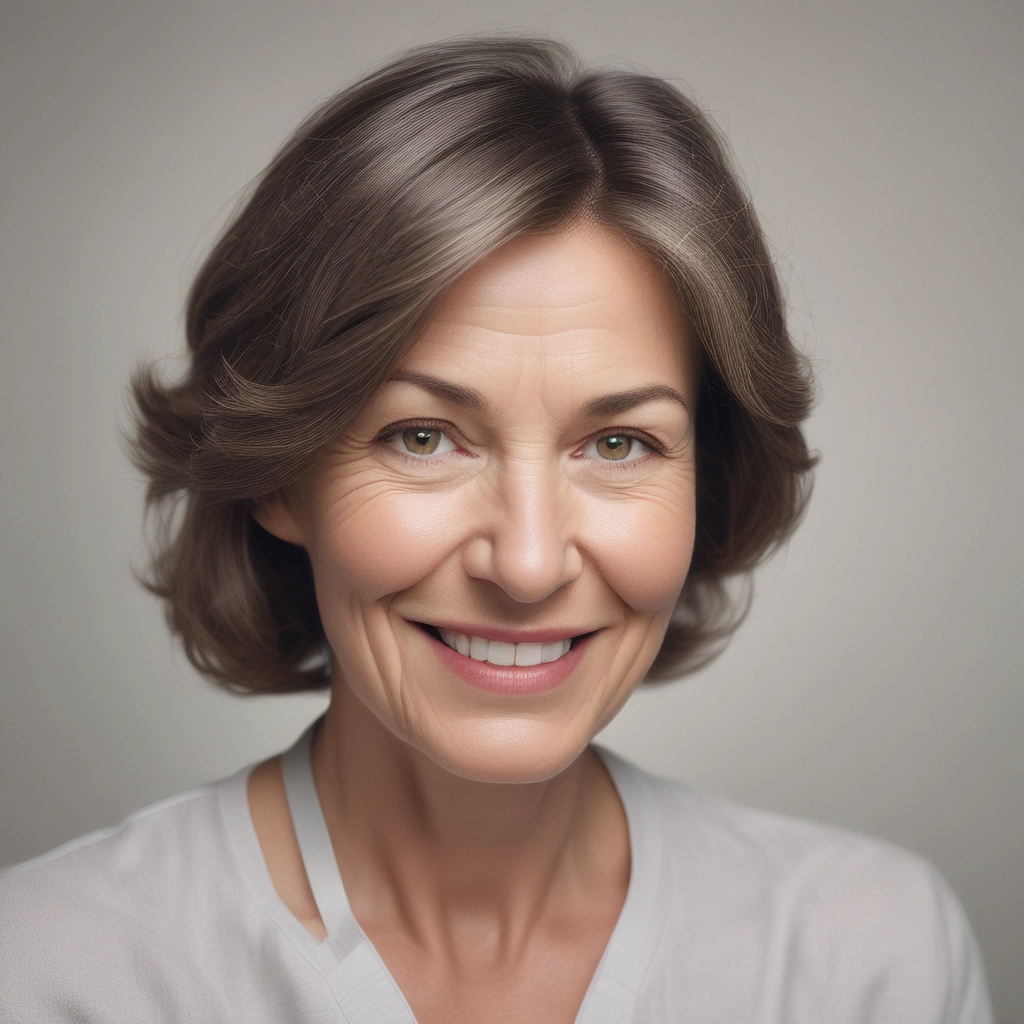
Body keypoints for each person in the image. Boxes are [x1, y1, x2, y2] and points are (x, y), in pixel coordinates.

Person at [0, 35, 993, 1024]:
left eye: (617, 444)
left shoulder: (872, 960)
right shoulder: (52, 972)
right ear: (278, 471)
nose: (525, 562)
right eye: (424, 437)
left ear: (708, 475)